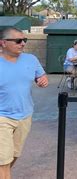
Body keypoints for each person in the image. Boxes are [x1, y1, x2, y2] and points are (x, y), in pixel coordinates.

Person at [0, 27, 48, 179]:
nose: (23, 44)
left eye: (24, 40)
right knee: (3, 160)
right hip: (2, 117)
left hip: (25, 116)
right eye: (18, 41)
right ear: (3, 43)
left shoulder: (31, 59)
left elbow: (42, 76)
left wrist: (43, 80)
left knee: (14, 155)